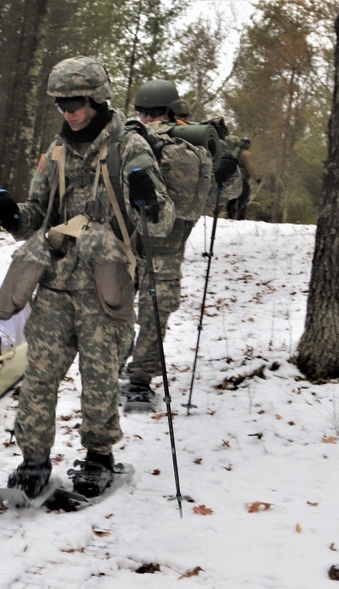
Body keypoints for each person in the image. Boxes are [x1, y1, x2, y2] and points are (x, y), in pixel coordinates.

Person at [0, 56, 175, 498]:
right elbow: (38, 217)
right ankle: (33, 460)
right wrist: (14, 216)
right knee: (39, 375)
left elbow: (163, 220)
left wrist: (149, 201)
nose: (69, 112)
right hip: (53, 281)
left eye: (76, 102)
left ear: (95, 99)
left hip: (104, 284)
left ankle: (98, 457)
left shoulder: (130, 147)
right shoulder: (54, 152)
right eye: (61, 104)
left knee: (100, 376)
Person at [121, 79, 239, 411]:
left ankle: (133, 376)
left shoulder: (143, 139)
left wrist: (225, 166)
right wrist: (226, 164)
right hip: (156, 247)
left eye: (152, 113)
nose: (150, 119)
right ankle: (137, 381)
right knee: (151, 312)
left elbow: (223, 191)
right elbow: (226, 193)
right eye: (147, 113)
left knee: (133, 309)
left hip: (133, 243)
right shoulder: (193, 145)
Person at [226, 136, 258, 220]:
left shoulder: (234, 152)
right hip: (242, 177)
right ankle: (240, 218)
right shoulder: (245, 153)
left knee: (233, 196)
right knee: (244, 196)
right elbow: (249, 167)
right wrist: (256, 178)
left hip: (232, 176)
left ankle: (230, 216)